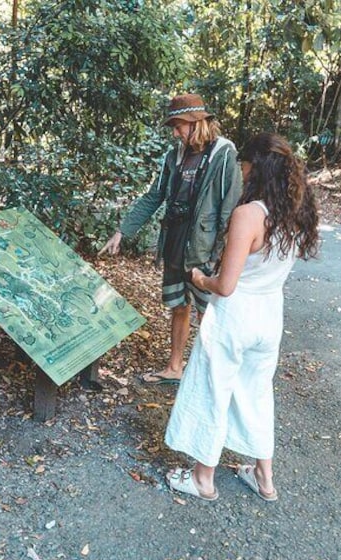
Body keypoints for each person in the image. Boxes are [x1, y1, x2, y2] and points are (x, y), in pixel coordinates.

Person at [163, 132, 320, 502]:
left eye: (244, 166)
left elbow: (227, 284)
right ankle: (264, 480)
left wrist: (200, 277)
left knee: (213, 388)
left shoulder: (249, 215)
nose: (242, 173)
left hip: (236, 316)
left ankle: (204, 479)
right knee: (257, 392)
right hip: (269, 315)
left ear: (256, 168)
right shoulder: (296, 213)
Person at [98, 93, 242, 385]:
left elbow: (230, 206)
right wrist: (122, 231)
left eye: (179, 126)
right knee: (179, 305)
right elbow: (154, 196)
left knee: (208, 312)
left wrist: (223, 253)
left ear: (196, 123)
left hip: (204, 247)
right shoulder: (174, 155)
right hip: (175, 239)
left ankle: (214, 376)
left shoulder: (224, 153)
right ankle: (174, 368)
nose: (175, 132)